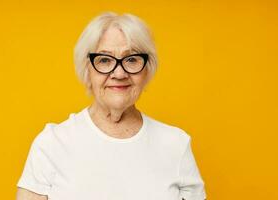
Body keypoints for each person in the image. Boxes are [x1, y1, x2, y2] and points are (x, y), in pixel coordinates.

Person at [16, 12, 207, 200]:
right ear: (87, 69)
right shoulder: (51, 145)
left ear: (147, 69)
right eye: (104, 60)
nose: (119, 73)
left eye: (132, 59)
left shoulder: (176, 145)